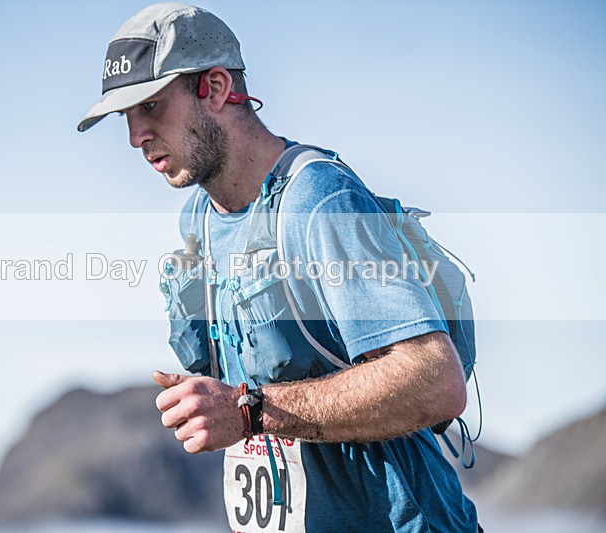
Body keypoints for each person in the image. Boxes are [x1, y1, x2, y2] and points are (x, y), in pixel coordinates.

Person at [78, 3, 480, 531]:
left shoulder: (318, 199)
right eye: (125, 117)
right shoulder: (197, 218)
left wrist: (248, 411)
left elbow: (435, 381)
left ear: (217, 88)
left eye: (150, 106)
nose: (135, 136)